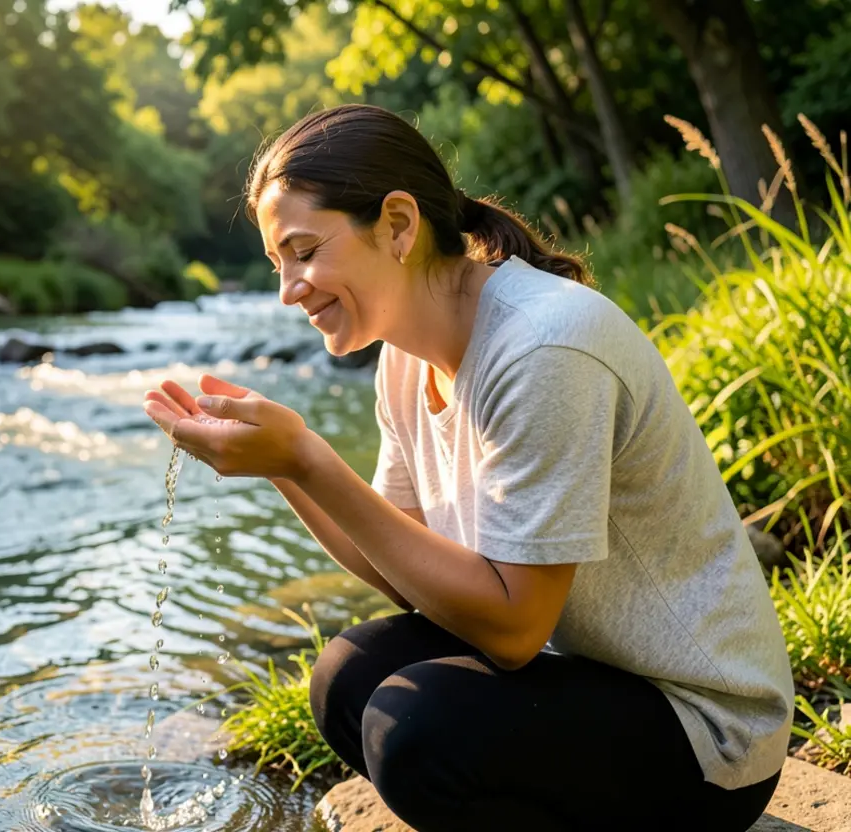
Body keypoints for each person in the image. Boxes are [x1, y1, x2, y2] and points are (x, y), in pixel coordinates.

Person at [141, 103, 793, 831]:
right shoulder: (401, 357)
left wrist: (309, 458)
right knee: (347, 680)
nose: (289, 288)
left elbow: (515, 627)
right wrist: (284, 468)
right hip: (588, 680)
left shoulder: (545, 347)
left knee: (415, 731)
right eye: (277, 263)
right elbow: (400, 566)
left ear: (397, 224)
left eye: (304, 250)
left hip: (706, 734)